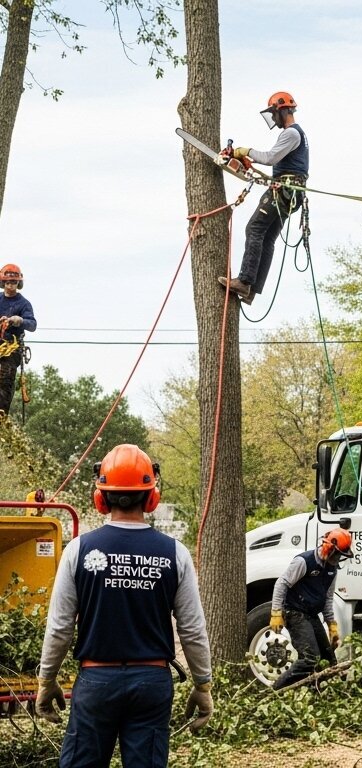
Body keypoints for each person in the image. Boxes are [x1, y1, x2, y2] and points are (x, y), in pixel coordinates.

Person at [35, 444, 213, 767]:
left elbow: (59, 627)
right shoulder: (176, 554)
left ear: (100, 498)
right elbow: (192, 630)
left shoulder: (78, 551)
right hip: (152, 685)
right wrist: (203, 684)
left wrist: (46, 681)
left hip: (95, 684)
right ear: (151, 497)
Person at [218, 90, 309, 306]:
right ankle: (252, 290)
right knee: (267, 238)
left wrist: (245, 150)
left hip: (283, 192)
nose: (273, 118)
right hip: (291, 193)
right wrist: (250, 162)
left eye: (274, 113)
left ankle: (245, 281)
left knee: (254, 229)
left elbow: (269, 158)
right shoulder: (297, 135)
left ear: (283, 110)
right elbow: (277, 162)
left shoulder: (291, 133)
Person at [269, 527, 353, 690]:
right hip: (294, 611)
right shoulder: (304, 561)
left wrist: (332, 626)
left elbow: (327, 599)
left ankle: (318, 692)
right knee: (310, 658)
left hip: (311, 614)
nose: (338, 559)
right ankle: (275, 691)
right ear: (329, 548)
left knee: (328, 658)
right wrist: (276, 613)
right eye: (337, 555)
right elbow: (281, 583)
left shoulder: (332, 569)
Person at [0, 263, 36, 416]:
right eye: (7, 282)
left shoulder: (23, 304)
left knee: (4, 383)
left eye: (13, 282)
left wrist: (19, 320)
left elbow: (32, 324)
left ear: (18, 283)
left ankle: (1, 417)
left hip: (11, 349)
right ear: (3, 282)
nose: (10, 285)